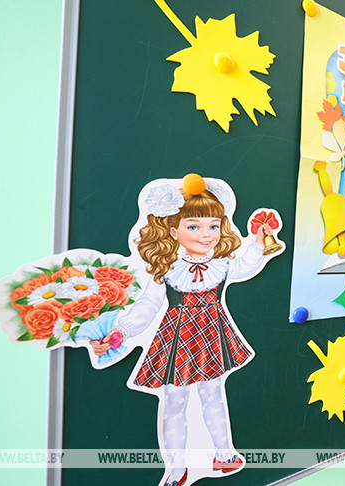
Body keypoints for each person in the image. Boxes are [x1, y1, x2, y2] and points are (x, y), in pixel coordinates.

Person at [91, 175, 277, 486]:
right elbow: (149, 305)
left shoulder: (221, 264)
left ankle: (224, 453)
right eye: (194, 227)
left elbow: (245, 267)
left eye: (213, 226)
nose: (206, 234)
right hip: (178, 337)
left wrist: (258, 243)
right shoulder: (168, 269)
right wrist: (120, 332)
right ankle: (177, 468)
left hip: (212, 334)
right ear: (172, 230)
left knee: (213, 392)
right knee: (174, 399)